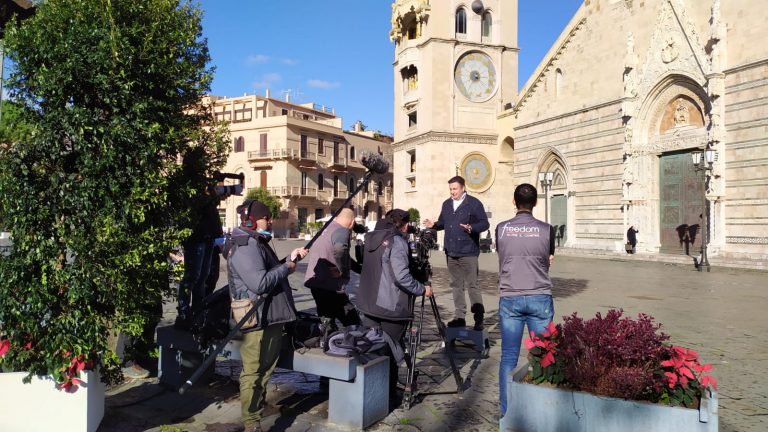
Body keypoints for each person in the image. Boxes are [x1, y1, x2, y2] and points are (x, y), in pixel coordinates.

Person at [226, 199, 307, 432]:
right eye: (266, 217)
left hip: (270, 316)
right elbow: (260, 283)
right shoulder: (245, 245)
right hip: (255, 319)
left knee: (266, 368)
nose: (270, 221)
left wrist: (290, 260)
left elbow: (266, 272)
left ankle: (257, 408)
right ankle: (252, 423)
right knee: (252, 371)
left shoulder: (257, 241)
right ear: (251, 220)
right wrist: (287, 268)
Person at [356, 209, 433, 404]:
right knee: (390, 352)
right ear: (405, 225)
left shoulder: (370, 237)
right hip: (391, 307)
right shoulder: (397, 241)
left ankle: (369, 394)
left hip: (368, 303)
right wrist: (421, 289)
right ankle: (387, 397)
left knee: (373, 349)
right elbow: (402, 277)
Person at [495, 183, 555, 419]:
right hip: (539, 295)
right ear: (536, 203)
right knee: (543, 353)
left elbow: (503, 254)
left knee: (509, 355)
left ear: (514, 201)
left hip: (510, 296)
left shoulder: (501, 228)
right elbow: (548, 258)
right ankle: (541, 411)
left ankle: (507, 412)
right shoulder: (547, 229)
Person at [423, 175, 489, 330]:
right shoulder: (446, 204)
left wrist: (471, 228)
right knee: (456, 285)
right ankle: (459, 317)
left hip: (468, 251)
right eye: (451, 189)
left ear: (463, 188)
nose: (452, 192)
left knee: (472, 285)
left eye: (455, 189)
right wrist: (434, 225)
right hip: (451, 252)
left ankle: (479, 318)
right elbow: (443, 223)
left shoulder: (473, 203)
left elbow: (484, 223)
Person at [304, 208, 362, 327]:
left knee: (326, 320)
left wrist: (360, 269)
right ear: (352, 222)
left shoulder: (326, 229)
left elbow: (342, 255)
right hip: (331, 286)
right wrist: (341, 269)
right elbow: (340, 249)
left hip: (316, 283)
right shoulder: (342, 231)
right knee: (353, 322)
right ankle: (352, 341)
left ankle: (327, 341)